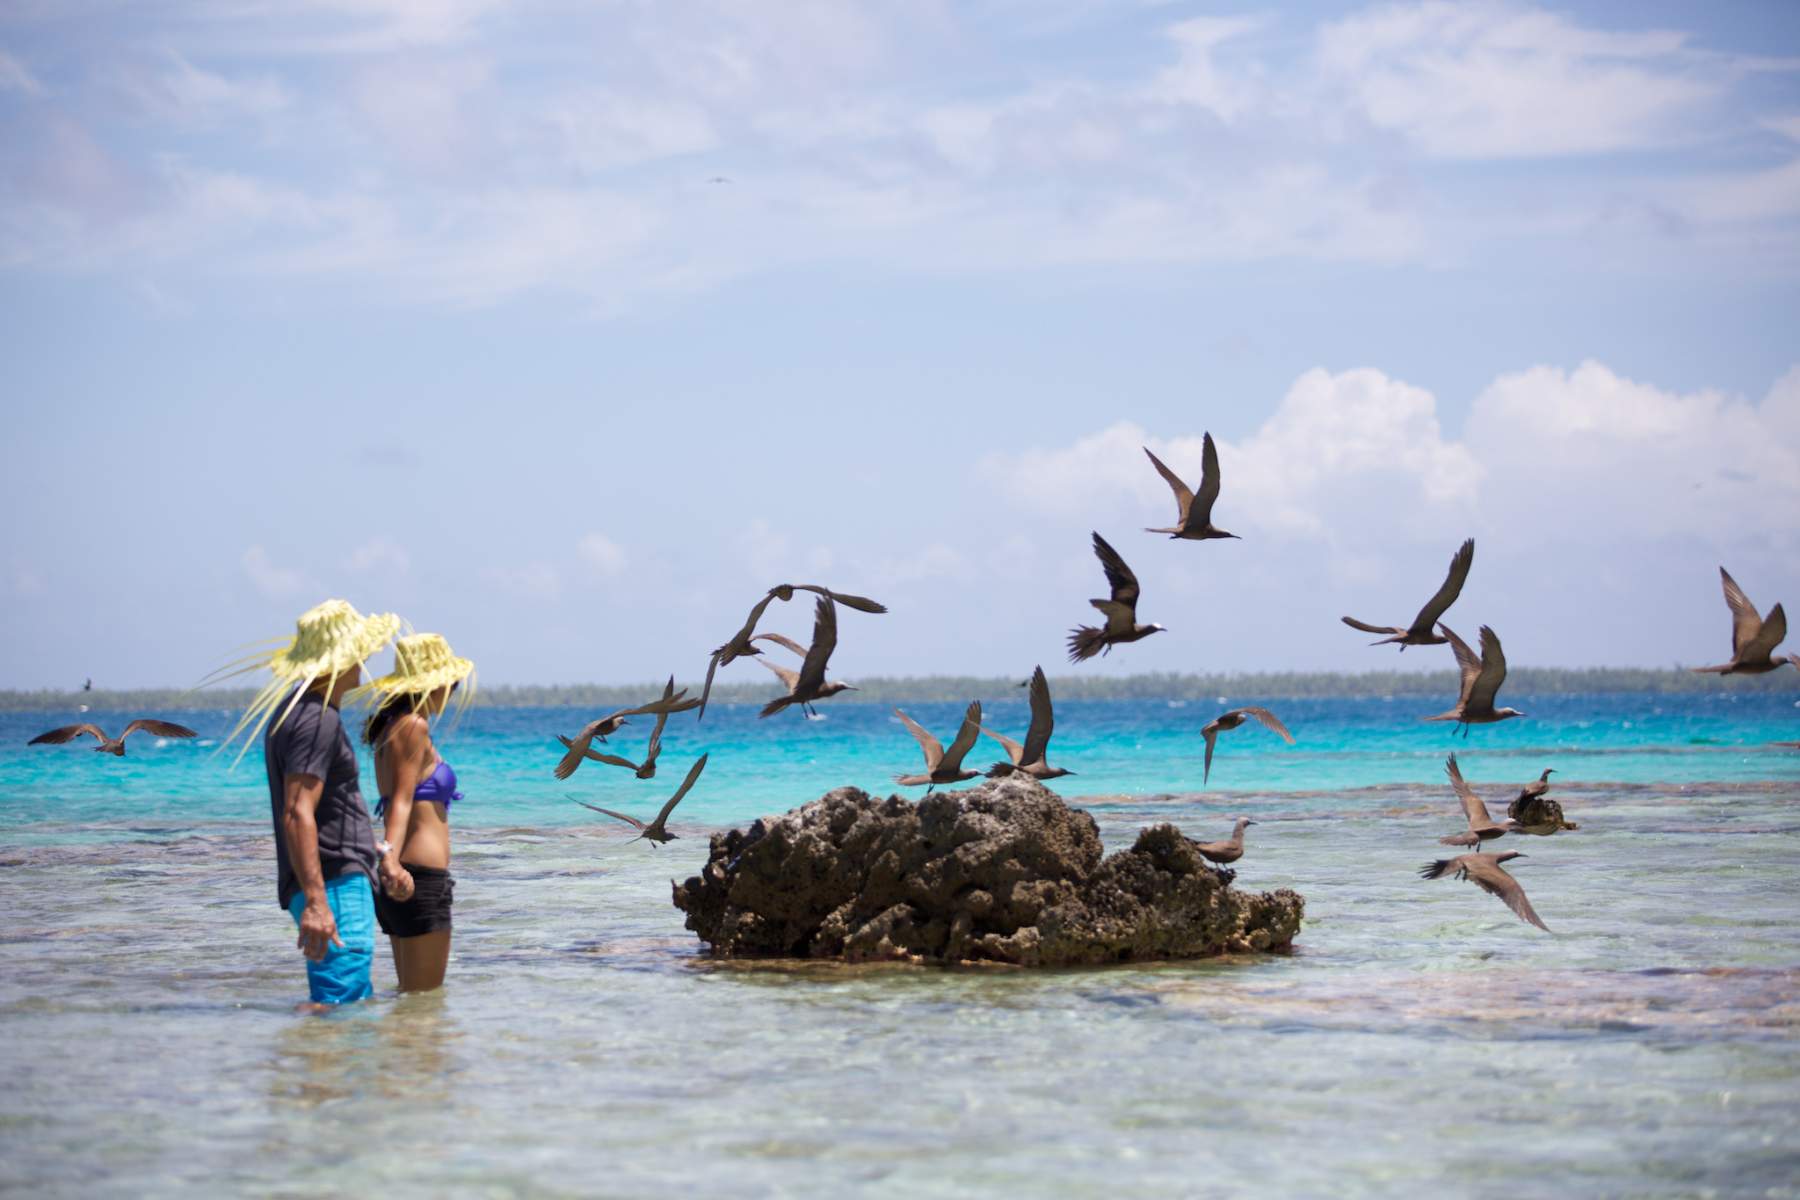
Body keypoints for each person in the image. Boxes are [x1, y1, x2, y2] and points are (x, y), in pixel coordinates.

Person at [221, 598, 409, 1010]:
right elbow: (296, 811)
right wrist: (318, 901)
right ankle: (318, 1074)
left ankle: (317, 1068)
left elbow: (321, 808)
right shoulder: (316, 718)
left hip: (335, 877)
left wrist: (370, 847)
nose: (365, 660)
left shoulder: (298, 711)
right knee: (339, 1005)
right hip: (333, 882)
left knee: (347, 1003)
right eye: (360, 652)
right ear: (342, 660)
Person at [349, 633, 475, 993]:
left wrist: (389, 864)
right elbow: (402, 801)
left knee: (410, 1001)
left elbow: (396, 800)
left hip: (403, 877)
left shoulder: (393, 726)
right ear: (430, 683)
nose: (452, 690)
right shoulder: (412, 727)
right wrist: (389, 859)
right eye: (449, 682)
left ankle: (398, 1051)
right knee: (425, 1003)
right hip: (415, 878)